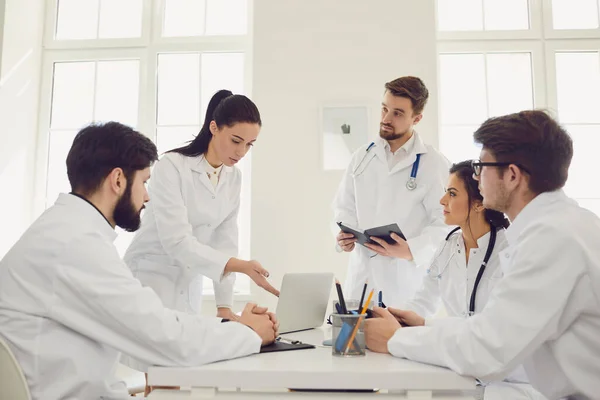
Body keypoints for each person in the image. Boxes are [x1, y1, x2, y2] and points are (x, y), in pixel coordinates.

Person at [0, 122, 278, 400]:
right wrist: (248, 333)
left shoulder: (65, 230)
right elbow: (166, 339)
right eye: (144, 182)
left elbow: (158, 325)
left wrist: (234, 324)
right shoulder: (75, 244)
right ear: (118, 180)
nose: (147, 196)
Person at [364, 110, 600, 400]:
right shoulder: (566, 225)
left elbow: (488, 349)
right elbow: (491, 330)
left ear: (512, 175)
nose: (477, 177)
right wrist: (424, 325)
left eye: (481, 167)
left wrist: (396, 339)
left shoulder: (551, 240)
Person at [368, 160, 545, 399]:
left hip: (508, 383)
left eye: (452, 193)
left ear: (479, 203)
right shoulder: (448, 246)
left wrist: (413, 333)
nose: (442, 201)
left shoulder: (510, 251)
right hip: (459, 372)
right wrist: (408, 320)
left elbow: (492, 333)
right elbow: (424, 299)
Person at [124, 90, 279, 326]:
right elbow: (176, 241)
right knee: (148, 356)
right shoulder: (172, 166)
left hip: (189, 281)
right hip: (151, 278)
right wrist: (242, 267)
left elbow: (225, 241)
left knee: (185, 354)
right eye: (236, 141)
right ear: (214, 128)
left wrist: (225, 306)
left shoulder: (233, 177)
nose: (241, 152)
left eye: (249, 145)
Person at [333, 76, 450, 307]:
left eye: (397, 113)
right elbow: (342, 207)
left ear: (417, 118)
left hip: (405, 284)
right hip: (361, 279)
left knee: (401, 340)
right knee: (355, 342)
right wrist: (342, 238)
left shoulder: (433, 163)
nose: (386, 119)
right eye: (384, 109)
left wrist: (412, 250)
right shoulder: (362, 157)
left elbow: (446, 223)